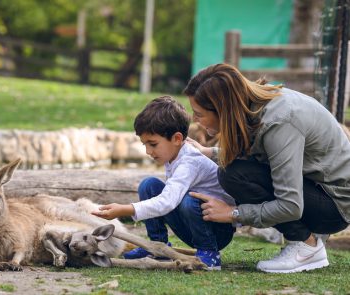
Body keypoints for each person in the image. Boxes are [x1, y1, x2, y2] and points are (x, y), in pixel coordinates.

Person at [183, 63, 350, 273]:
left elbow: (290, 205)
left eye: (198, 114)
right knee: (232, 171)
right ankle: (306, 242)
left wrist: (234, 213)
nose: (195, 121)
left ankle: (306, 247)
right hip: (317, 188)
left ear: (223, 109)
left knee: (233, 175)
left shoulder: (279, 122)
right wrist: (211, 153)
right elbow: (266, 157)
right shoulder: (256, 106)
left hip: (334, 206)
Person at [92, 96, 235, 270]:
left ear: (176, 139)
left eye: (153, 144)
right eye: (145, 144)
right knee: (149, 185)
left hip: (217, 231)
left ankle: (209, 254)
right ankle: (157, 246)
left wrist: (126, 209)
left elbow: (168, 202)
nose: (148, 151)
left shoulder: (189, 161)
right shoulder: (174, 153)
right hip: (194, 223)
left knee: (188, 200)